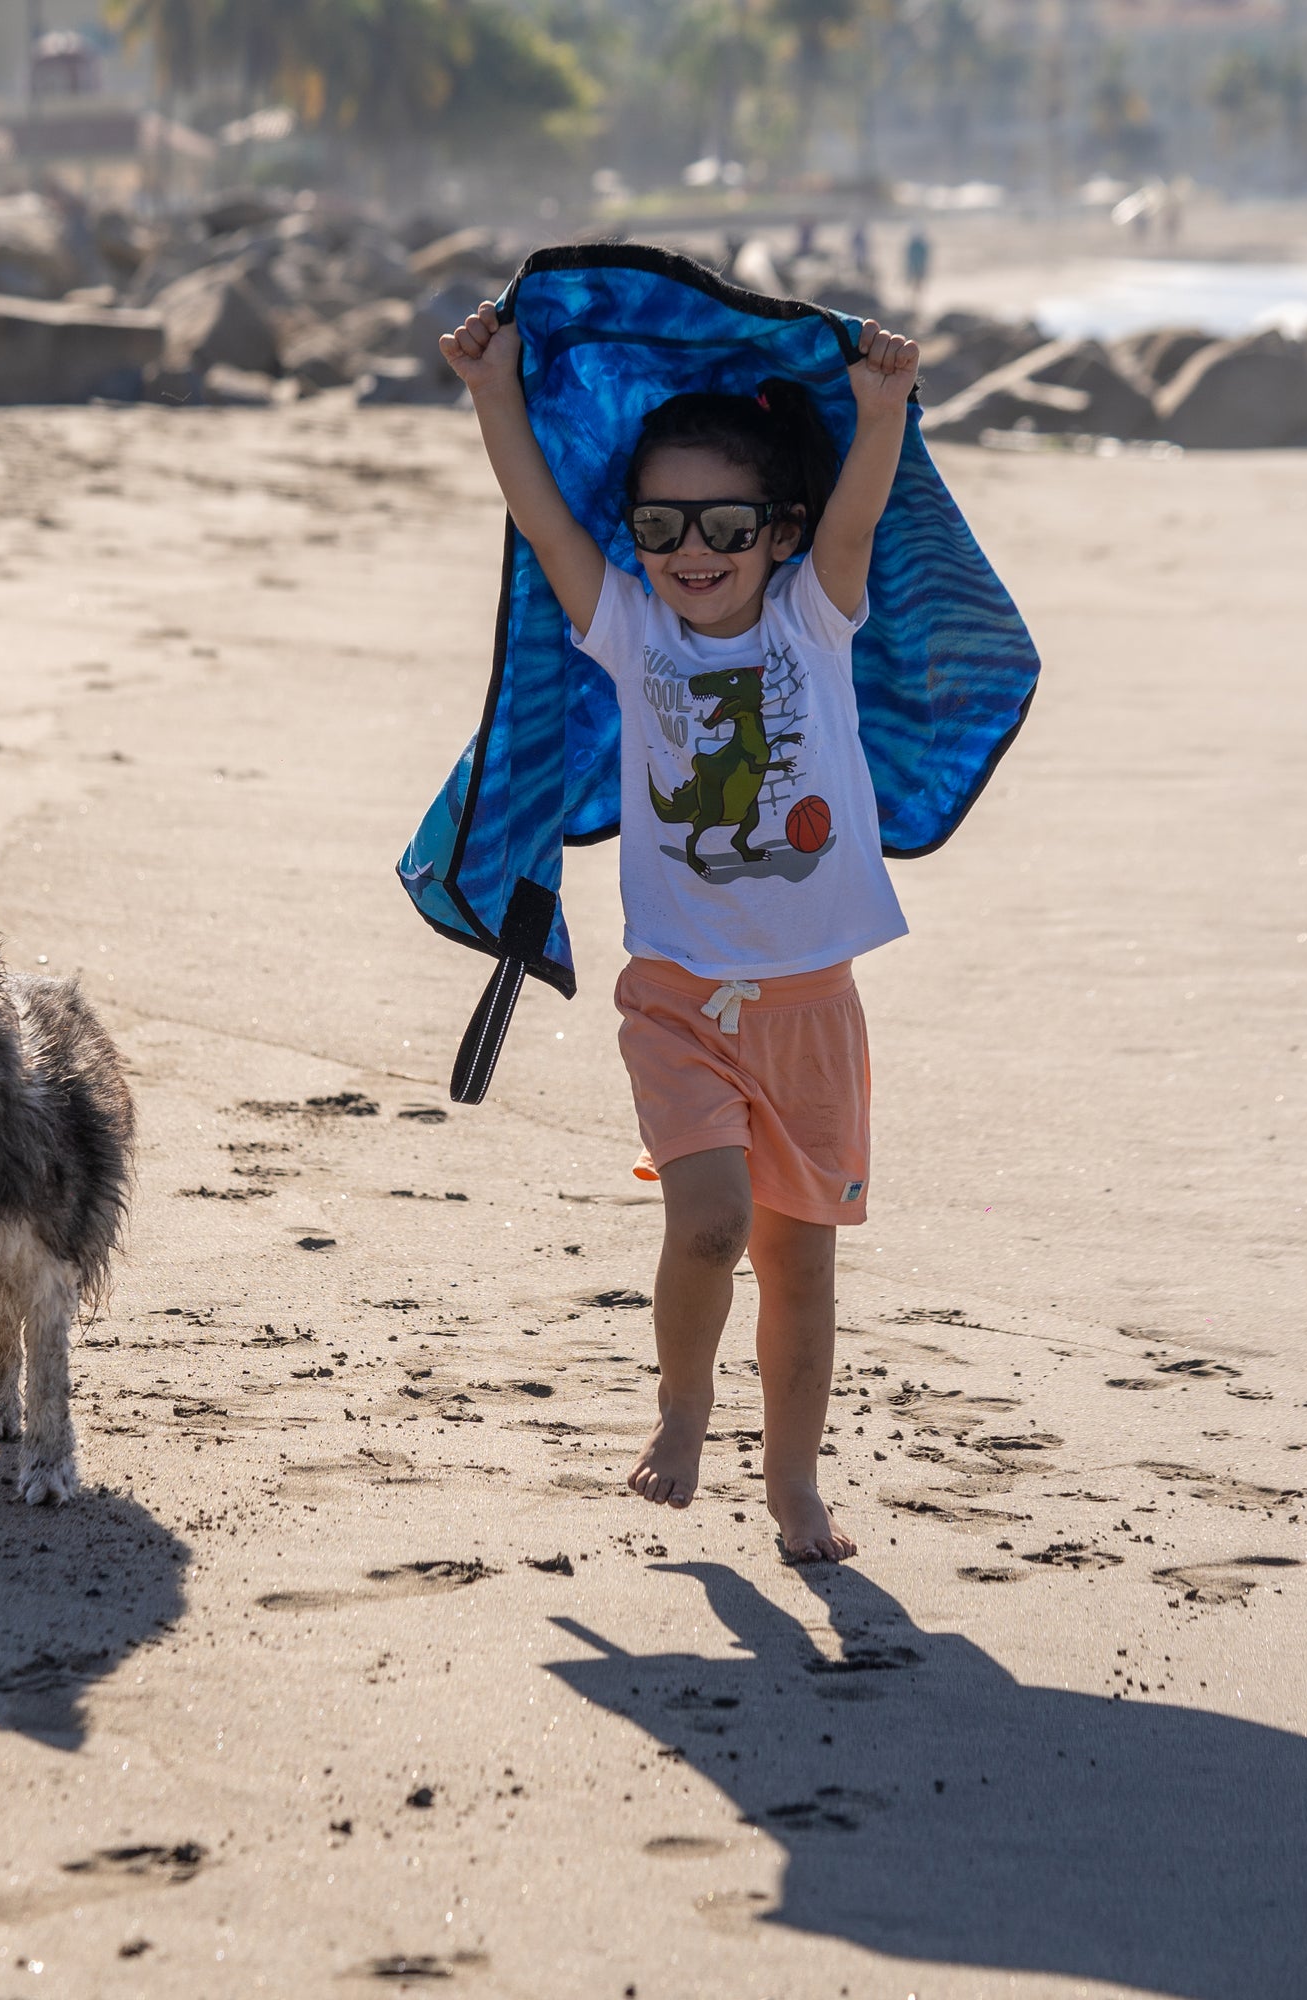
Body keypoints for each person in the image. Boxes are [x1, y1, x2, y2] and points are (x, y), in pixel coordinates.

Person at [436, 301, 922, 1564]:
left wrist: (881, 412)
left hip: (812, 1006)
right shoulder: (631, 626)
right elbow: (545, 520)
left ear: (779, 536)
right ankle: (685, 1403)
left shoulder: (813, 621)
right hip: (678, 1000)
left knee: (802, 1268)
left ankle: (797, 1485)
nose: (691, 550)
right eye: (661, 526)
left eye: (722, 525)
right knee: (707, 1221)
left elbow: (863, 515)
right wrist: (496, 393)